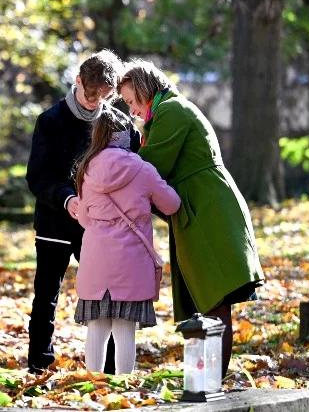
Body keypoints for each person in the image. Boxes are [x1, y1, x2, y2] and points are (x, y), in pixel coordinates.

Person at [117, 59, 264, 377]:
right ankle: (205, 378)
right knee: (203, 301)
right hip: (195, 212)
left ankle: (212, 382)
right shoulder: (162, 117)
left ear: (145, 90)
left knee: (213, 299)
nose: (131, 111)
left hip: (209, 212)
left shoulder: (172, 111)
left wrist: (112, 166)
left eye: (131, 101)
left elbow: (150, 169)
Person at [25, 50, 137, 372]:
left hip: (101, 227)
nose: (94, 103)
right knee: (46, 295)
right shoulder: (50, 121)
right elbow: (38, 177)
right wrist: (68, 200)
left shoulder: (118, 124)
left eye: (103, 98)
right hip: (55, 222)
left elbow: (131, 167)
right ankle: (39, 365)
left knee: (111, 296)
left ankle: (113, 370)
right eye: (90, 95)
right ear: (78, 82)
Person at [72, 107, 180, 374]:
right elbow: (172, 205)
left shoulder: (86, 169)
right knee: (124, 329)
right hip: (131, 261)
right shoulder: (143, 169)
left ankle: (93, 384)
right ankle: (124, 387)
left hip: (96, 260)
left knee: (97, 327)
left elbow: (84, 218)